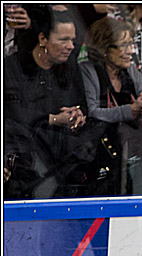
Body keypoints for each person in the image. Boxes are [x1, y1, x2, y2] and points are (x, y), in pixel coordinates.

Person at [3, 6, 89, 199]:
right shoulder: (10, 69)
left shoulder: (70, 67)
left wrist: (78, 114)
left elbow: (82, 104)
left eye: (73, 40)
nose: (71, 46)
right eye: (63, 40)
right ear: (42, 39)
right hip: (24, 171)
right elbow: (16, 116)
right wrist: (55, 119)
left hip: (65, 166)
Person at [80, 16, 142, 197]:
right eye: (123, 45)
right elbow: (92, 112)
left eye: (131, 44)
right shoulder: (88, 70)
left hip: (131, 151)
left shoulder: (130, 70)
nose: (131, 51)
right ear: (103, 49)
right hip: (97, 156)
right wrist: (131, 110)